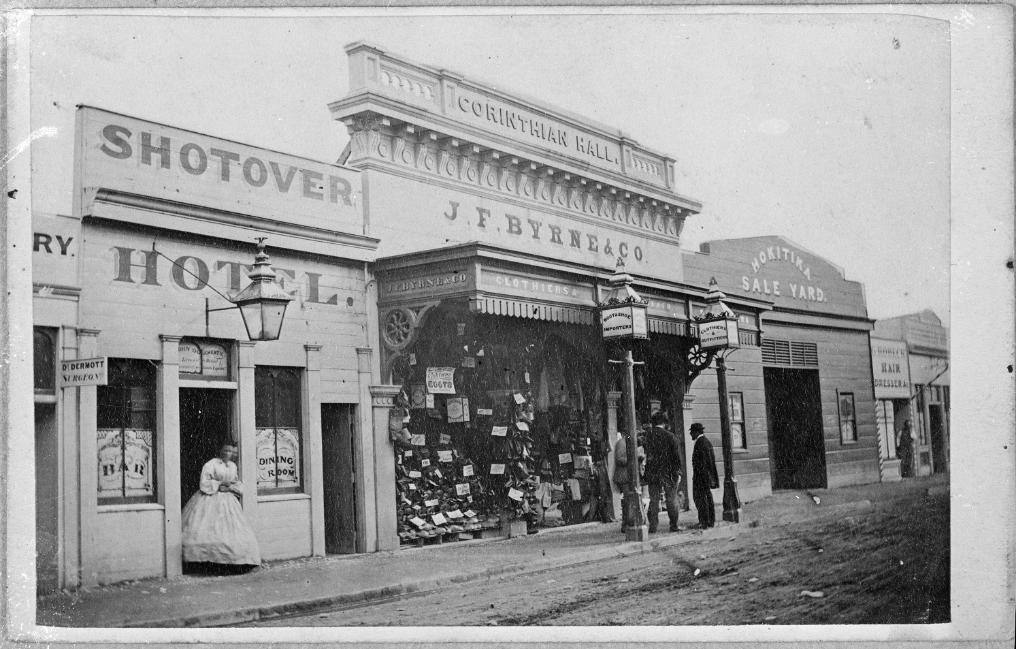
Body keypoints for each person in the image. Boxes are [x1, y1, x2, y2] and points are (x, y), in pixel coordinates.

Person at [181, 443, 261, 573]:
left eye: (231, 451)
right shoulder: (211, 464)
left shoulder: (233, 466)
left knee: (233, 530)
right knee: (207, 528)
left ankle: (231, 563)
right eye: (225, 450)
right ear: (220, 451)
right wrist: (219, 484)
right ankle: (205, 563)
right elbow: (204, 483)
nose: (228, 453)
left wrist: (230, 487)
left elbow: (236, 482)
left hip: (228, 500)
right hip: (209, 499)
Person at [642, 411, 683, 533]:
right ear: (665, 423)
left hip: (653, 472)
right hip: (669, 472)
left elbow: (646, 453)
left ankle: (653, 527)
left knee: (654, 500)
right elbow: (677, 457)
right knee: (671, 499)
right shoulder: (671, 436)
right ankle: (673, 525)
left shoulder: (648, 436)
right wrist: (678, 472)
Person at [689, 423, 720, 529]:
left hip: (701, 477)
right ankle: (709, 521)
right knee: (707, 498)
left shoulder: (700, 443)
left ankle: (704, 522)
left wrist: (699, 478)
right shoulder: (705, 442)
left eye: (691, 432)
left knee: (701, 499)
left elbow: (702, 463)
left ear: (696, 432)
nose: (690, 434)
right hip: (706, 476)